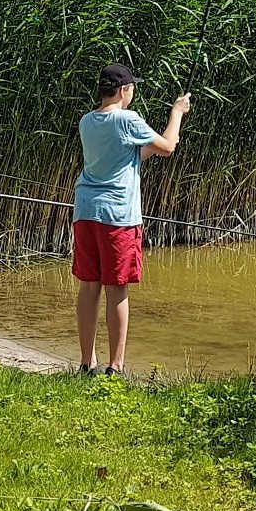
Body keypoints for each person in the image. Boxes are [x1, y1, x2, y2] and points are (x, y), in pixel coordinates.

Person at [72, 63, 190, 376]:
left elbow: (132, 156)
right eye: (132, 87)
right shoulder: (127, 119)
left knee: (89, 287)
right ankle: (116, 365)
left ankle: (86, 362)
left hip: (85, 213)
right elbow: (166, 148)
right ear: (124, 90)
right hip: (118, 217)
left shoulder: (87, 121)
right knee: (117, 289)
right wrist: (176, 113)